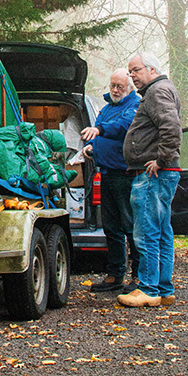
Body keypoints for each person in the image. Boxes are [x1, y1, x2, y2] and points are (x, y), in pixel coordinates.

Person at [118, 51, 182, 309]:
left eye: (136, 70)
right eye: (130, 70)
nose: (131, 75)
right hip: (163, 174)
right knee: (163, 232)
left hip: (154, 174)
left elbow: (171, 127)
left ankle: (148, 288)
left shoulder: (156, 92)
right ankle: (164, 290)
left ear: (152, 70)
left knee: (145, 233)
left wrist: (161, 160)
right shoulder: (161, 90)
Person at [81, 69, 141, 293]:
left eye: (120, 86)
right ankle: (115, 274)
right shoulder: (106, 109)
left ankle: (137, 276)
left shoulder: (134, 106)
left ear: (130, 88)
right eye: (113, 85)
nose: (115, 90)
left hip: (125, 176)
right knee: (111, 228)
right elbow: (100, 136)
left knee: (131, 227)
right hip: (105, 174)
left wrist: (99, 129)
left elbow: (123, 128)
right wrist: (91, 147)